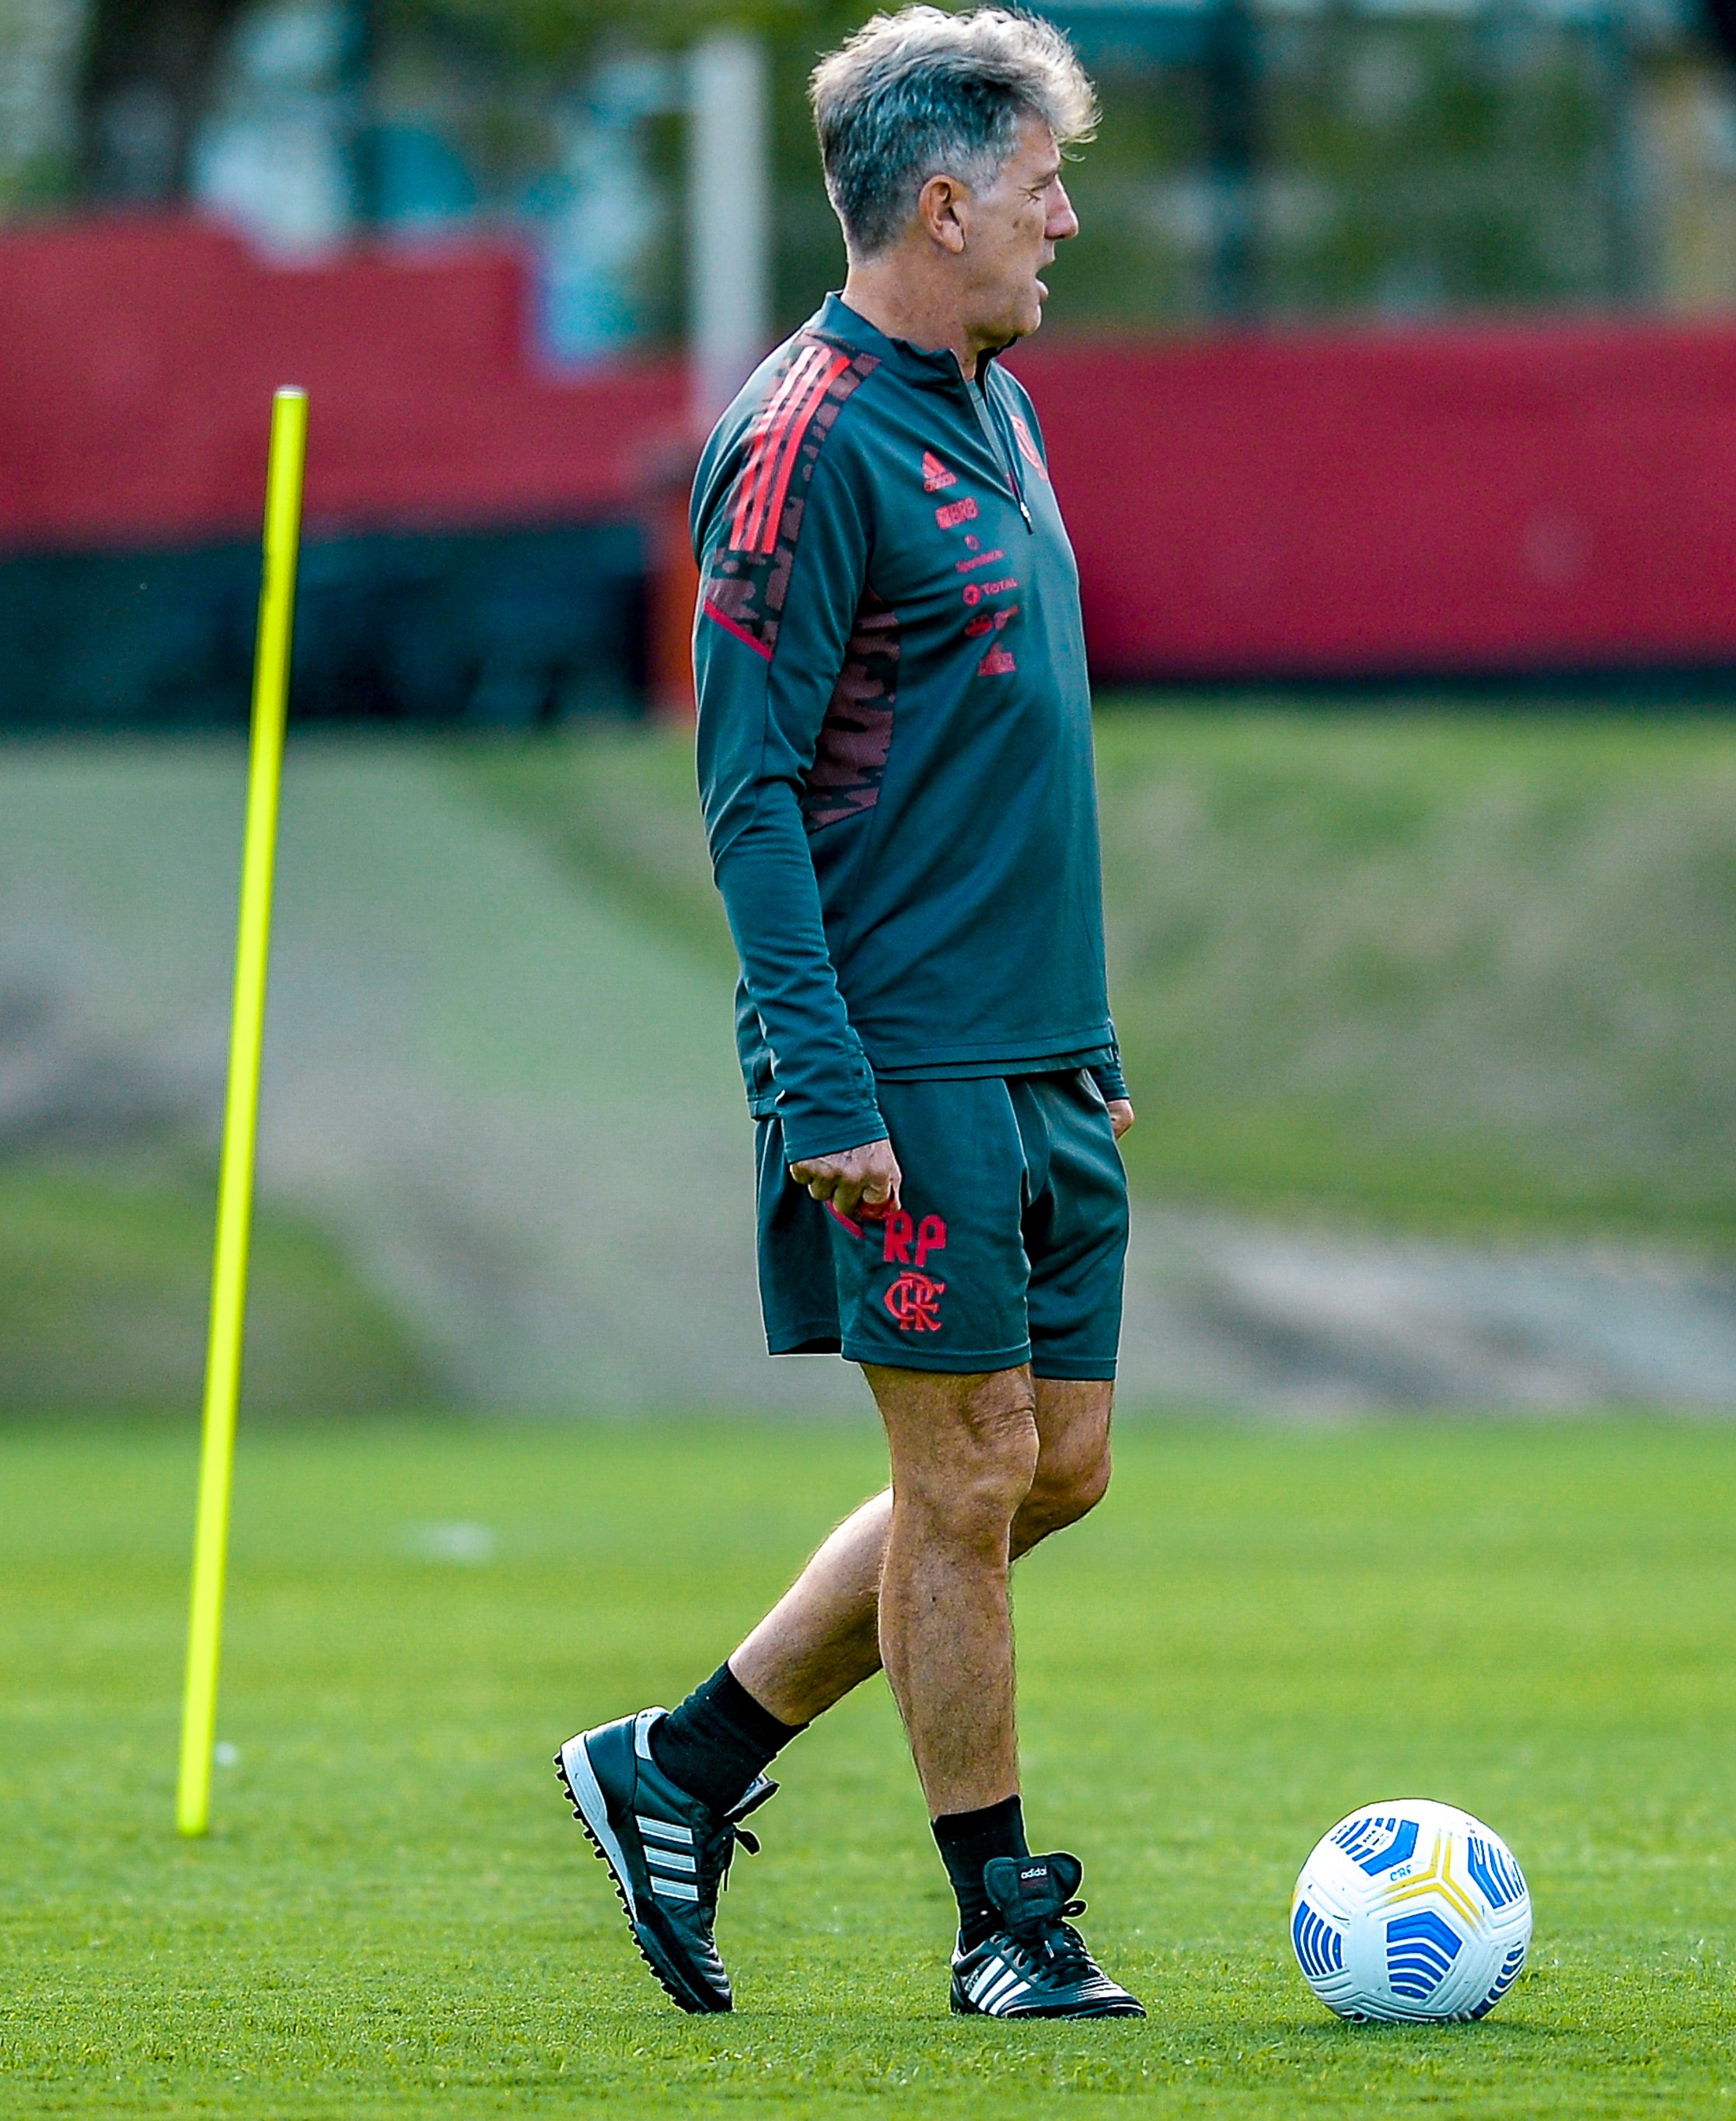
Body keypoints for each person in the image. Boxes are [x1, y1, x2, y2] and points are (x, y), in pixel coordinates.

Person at [554, 5, 1141, 2023]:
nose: (1069, 219)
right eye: (1046, 185)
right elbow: (751, 795)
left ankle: (681, 1764)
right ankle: (1006, 1925)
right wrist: (823, 1083)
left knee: (1055, 1469)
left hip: (1038, 1054)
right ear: (949, 197)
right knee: (965, 1480)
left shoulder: (996, 396)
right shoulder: (801, 440)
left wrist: (1091, 1046)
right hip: (899, 1064)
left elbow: (1016, 759)